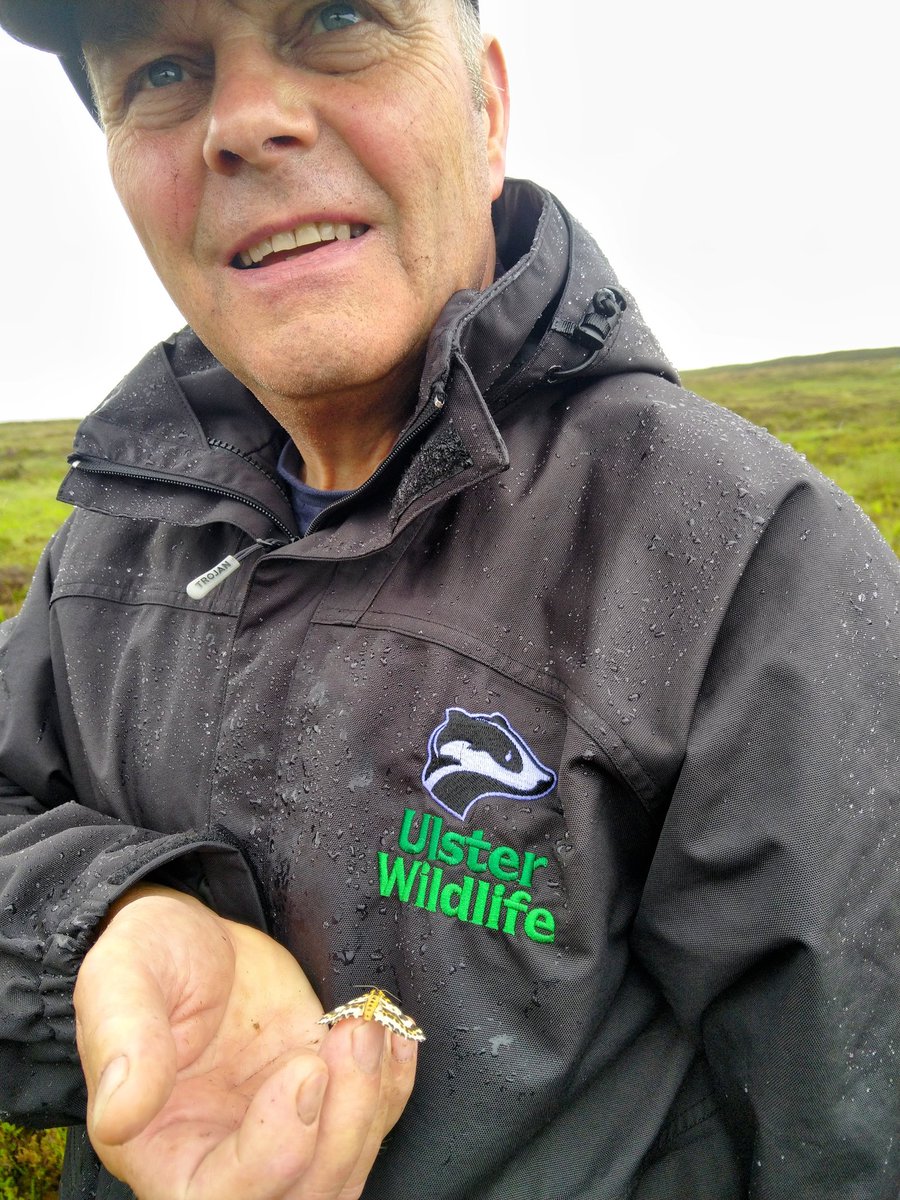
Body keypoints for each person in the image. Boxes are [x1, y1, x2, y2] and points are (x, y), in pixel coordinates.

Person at [0, 2, 897, 1198]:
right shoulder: (111, 537)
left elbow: (850, 1136)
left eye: (336, 18)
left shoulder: (750, 564)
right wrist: (99, 925)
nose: (247, 121)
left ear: (486, 109)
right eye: (163, 69)